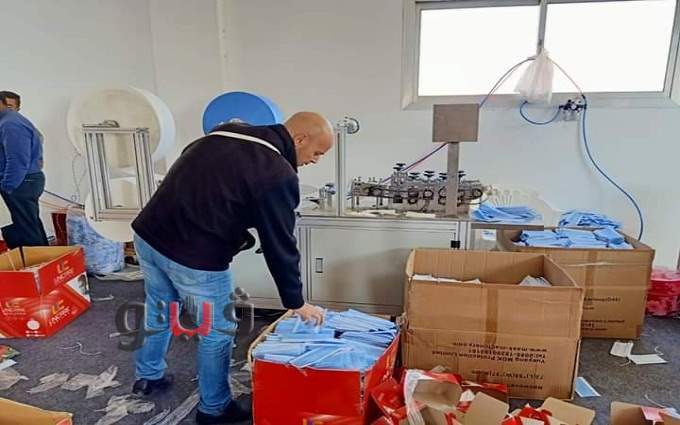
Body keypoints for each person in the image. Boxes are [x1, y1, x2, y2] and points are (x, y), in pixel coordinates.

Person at [130, 112, 334, 424]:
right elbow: (280, 245)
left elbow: (204, 184)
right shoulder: (277, 172)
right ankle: (214, 409)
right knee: (217, 332)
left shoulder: (224, 133)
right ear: (299, 139)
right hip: (196, 256)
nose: (315, 160)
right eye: (317, 153)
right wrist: (296, 302)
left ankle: (148, 376)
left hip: (149, 234)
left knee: (160, 307)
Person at [0, 92, 48, 248]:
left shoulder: (10, 124)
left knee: (25, 232)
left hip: (20, 182)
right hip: (22, 180)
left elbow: (17, 161)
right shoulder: (9, 121)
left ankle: (35, 261)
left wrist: (7, 186)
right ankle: (41, 259)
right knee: (27, 226)